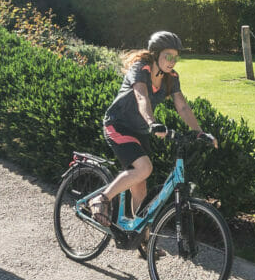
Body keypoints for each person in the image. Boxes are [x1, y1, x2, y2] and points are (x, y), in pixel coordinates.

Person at [90, 30, 217, 230]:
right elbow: (142, 97)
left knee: (140, 184)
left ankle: (142, 240)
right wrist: (152, 122)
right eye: (168, 56)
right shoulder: (141, 69)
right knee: (144, 168)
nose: (173, 61)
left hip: (140, 131)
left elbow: (182, 106)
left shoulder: (171, 77)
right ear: (156, 54)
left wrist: (200, 132)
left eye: (176, 57)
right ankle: (101, 199)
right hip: (118, 125)